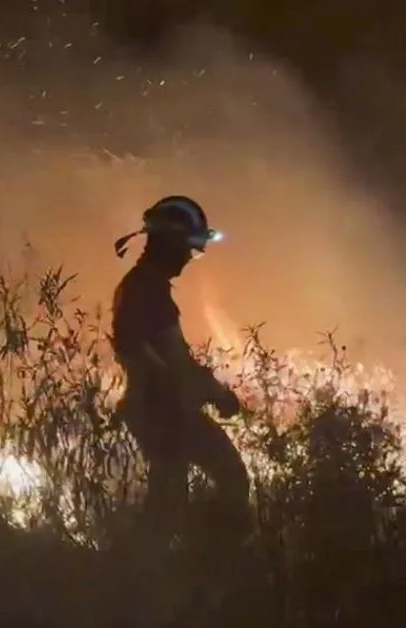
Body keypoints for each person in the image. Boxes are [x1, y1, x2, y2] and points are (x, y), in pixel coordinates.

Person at [110, 195, 249, 546]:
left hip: (154, 408)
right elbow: (175, 362)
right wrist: (219, 395)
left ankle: (155, 562)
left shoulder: (137, 286)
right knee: (230, 477)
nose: (189, 258)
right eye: (187, 248)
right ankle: (214, 559)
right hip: (163, 411)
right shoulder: (149, 292)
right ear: (168, 244)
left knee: (167, 502)